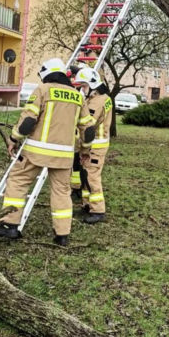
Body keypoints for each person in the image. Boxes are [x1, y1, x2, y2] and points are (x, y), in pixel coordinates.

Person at [0, 57, 95, 246]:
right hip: (64, 156)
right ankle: (62, 235)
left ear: (46, 73)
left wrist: (13, 139)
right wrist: (85, 150)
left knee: (18, 182)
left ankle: (10, 225)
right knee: (62, 192)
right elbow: (88, 130)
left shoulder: (42, 90)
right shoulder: (78, 96)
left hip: (35, 153)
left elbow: (28, 121)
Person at [72, 66, 113, 223]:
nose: (82, 90)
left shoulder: (96, 102)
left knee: (92, 177)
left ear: (92, 85)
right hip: (94, 145)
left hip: (94, 146)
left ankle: (98, 210)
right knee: (85, 176)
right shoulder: (102, 98)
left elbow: (88, 126)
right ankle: (87, 205)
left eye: (83, 86)